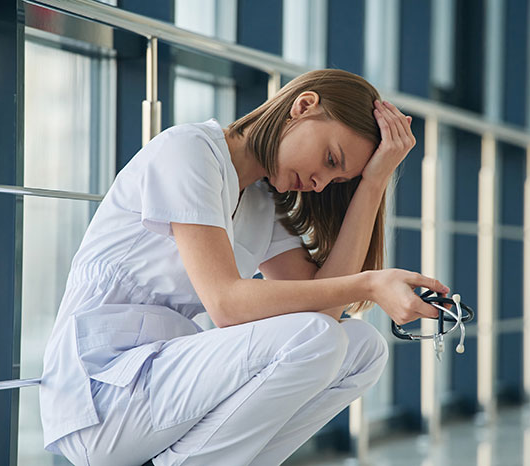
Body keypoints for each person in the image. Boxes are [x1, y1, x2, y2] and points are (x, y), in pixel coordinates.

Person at [40, 69, 450, 466]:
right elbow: (226, 303)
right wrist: (370, 283)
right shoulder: (189, 151)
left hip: (159, 384)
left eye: (337, 179)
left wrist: (374, 182)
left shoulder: (261, 203)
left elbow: (325, 313)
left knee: (363, 348)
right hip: (100, 394)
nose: (321, 183)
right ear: (303, 106)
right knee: (317, 337)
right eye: (330, 158)